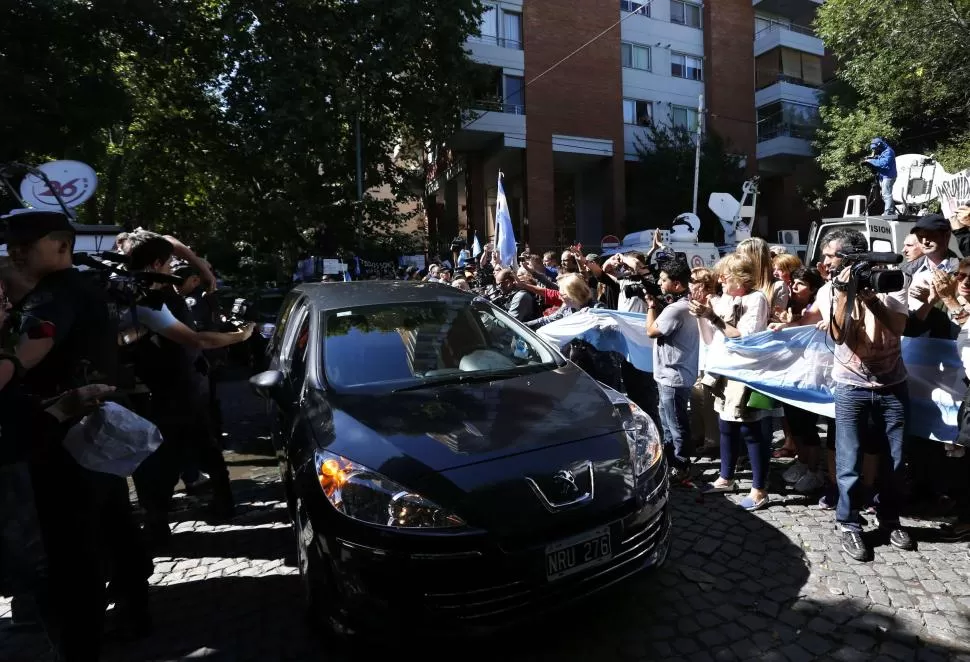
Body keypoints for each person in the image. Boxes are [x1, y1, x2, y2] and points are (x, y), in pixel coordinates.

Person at [3, 208, 153, 658]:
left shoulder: (54, 296)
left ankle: (81, 640)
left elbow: (33, 347)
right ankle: (135, 612)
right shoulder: (84, 286)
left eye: (27, 245)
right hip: (93, 431)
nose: (16, 252)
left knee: (72, 548)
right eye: (13, 245)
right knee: (112, 524)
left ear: (62, 246)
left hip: (62, 436)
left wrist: (10, 361)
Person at [829, 229, 913, 562]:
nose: (825, 262)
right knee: (849, 460)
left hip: (893, 385)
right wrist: (841, 295)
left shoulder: (893, 281)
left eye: (830, 256)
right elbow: (839, 336)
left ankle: (889, 518)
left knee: (896, 459)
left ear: (848, 257)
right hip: (851, 386)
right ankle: (848, 522)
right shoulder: (832, 287)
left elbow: (898, 327)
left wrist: (872, 300)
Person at [644, 260, 699, 482]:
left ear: (677, 284)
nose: (659, 282)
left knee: (675, 423)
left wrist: (650, 306)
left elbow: (651, 331)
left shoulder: (676, 309)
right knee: (669, 421)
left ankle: (682, 464)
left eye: (663, 279)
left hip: (673, 375)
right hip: (673, 372)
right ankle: (672, 459)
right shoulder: (687, 303)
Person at [864, 137, 898, 217]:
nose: (875, 151)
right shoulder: (882, 151)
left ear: (879, 145)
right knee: (884, 195)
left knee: (886, 194)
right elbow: (879, 158)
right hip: (883, 176)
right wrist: (871, 158)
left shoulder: (889, 151)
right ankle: (891, 211)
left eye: (876, 149)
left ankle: (889, 213)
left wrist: (870, 161)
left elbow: (883, 163)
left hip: (889, 176)